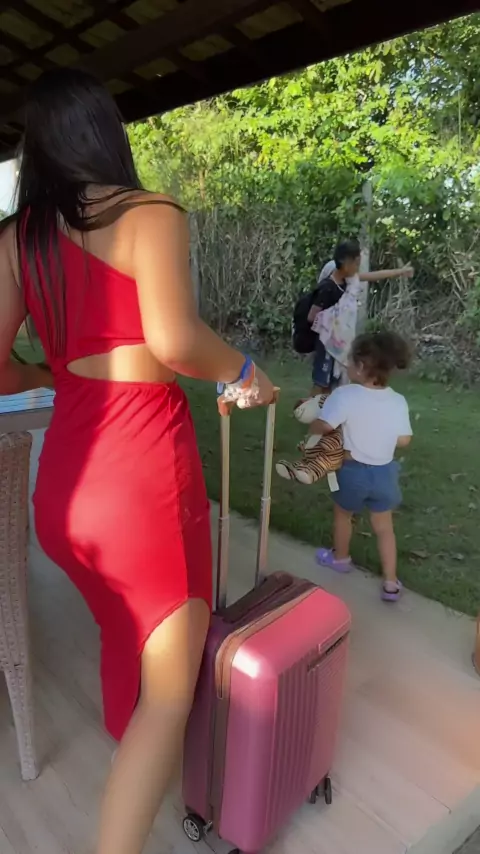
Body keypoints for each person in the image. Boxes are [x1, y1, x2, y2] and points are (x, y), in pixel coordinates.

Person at [0, 69, 274, 854]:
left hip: (63, 489)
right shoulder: (149, 213)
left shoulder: (18, 240)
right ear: (105, 133)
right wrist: (246, 371)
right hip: (139, 478)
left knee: (128, 631)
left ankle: (139, 760)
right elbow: (176, 341)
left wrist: (58, 373)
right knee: (168, 690)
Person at [313, 331, 412, 602]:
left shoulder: (344, 395)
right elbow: (404, 440)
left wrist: (313, 421)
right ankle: (390, 582)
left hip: (351, 471)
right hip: (384, 473)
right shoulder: (398, 401)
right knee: (384, 526)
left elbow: (325, 426)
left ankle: (341, 559)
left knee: (343, 515)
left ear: (360, 365)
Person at [310, 240, 413, 396]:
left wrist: (400, 272)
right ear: (346, 262)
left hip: (341, 342)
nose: (358, 268)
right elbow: (313, 316)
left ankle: (327, 408)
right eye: (356, 263)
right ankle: (307, 407)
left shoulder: (351, 280)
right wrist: (330, 326)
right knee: (321, 382)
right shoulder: (328, 286)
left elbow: (374, 276)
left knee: (335, 383)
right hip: (327, 342)